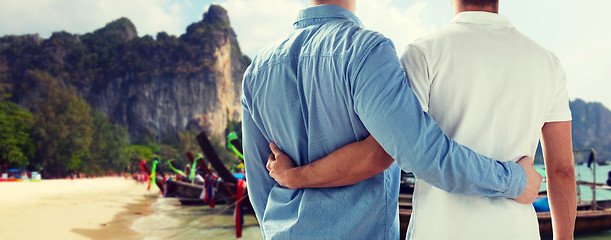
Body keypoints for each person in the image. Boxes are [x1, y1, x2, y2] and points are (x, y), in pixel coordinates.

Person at [266, 0, 576, 239]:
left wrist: (296, 176)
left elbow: (386, 150)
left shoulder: (424, 52)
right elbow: (562, 172)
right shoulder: (547, 63)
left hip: (439, 230)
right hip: (516, 232)